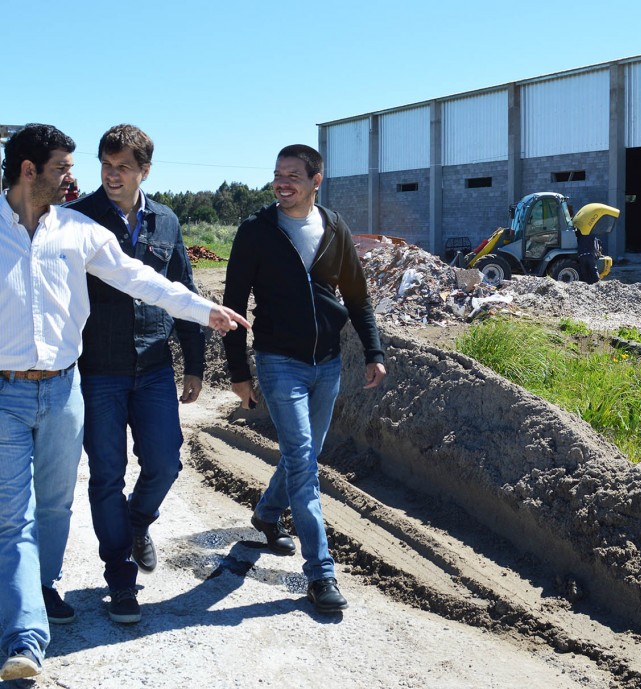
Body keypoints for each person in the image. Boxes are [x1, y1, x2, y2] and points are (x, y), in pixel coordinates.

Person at [0, 124, 249, 682]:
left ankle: (43, 584)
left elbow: (142, 278)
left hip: (65, 388)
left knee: (58, 503)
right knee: (14, 516)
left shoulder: (77, 229)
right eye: (65, 166)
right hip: (13, 390)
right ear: (28, 170)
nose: (76, 176)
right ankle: (26, 635)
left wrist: (200, 311)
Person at [223, 144, 386, 614]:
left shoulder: (334, 227)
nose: (282, 182)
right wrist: (238, 372)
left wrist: (373, 352)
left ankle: (267, 512)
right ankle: (321, 574)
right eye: (277, 174)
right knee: (303, 462)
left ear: (317, 180)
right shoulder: (256, 232)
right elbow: (232, 304)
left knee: (305, 455)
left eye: (293, 175)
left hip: (328, 362)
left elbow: (357, 298)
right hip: (279, 361)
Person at [65, 124, 202, 625]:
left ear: (145, 170)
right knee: (106, 475)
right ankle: (120, 576)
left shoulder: (165, 220)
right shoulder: (77, 220)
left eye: (123, 166)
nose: (111, 174)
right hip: (98, 370)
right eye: (106, 164)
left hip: (154, 368)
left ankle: (136, 522)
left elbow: (182, 287)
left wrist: (196, 363)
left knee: (166, 462)